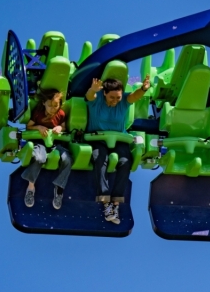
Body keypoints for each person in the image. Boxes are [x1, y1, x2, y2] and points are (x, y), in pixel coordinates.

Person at [85, 75, 151, 224]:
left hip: (119, 139)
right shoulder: (96, 101)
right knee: (100, 158)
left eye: (118, 97)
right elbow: (90, 96)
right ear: (104, 94)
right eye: (112, 97)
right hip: (99, 139)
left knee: (125, 162)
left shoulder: (123, 102)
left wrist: (143, 89)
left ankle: (115, 203)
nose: (115, 100)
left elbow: (134, 96)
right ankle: (105, 202)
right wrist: (93, 89)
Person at [21, 88, 73, 210]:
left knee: (67, 159)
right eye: (49, 105)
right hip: (40, 142)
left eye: (56, 105)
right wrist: (38, 127)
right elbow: (29, 126)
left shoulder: (60, 114)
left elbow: (64, 127)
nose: (52, 108)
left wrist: (60, 128)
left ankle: (59, 189)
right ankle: (31, 187)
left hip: (56, 143)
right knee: (39, 158)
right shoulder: (38, 112)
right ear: (44, 103)